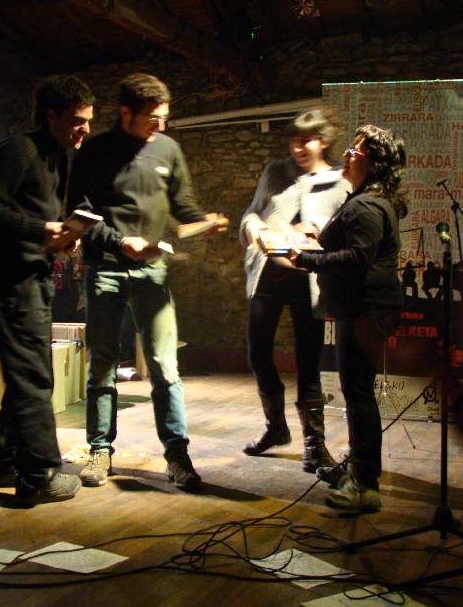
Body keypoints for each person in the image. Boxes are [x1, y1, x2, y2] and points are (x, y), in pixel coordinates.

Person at [68, 73, 228, 493]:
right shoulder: (95, 152)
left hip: (152, 270)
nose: (160, 126)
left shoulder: (167, 149)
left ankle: (177, 455)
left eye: (164, 118)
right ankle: (100, 449)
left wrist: (203, 222)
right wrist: (120, 242)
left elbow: (183, 203)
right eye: (152, 119)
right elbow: (80, 214)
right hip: (105, 268)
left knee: (164, 365)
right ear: (126, 113)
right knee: (102, 364)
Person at [0, 74, 95, 504]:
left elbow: (42, 217)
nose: (85, 129)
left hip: (33, 278)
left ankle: (10, 459)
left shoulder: (59, 157)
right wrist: (40, 230)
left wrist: (65, 237)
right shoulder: (19, 150)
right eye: (77, 120)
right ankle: (38, 476)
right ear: (51, 115)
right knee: (34, 379)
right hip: (11, 282)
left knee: (29, 374)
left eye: (88, 120)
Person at [293, 125, 407, 512]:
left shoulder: (368, 206)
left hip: (365, 310)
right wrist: (314, 240)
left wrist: (308, 260)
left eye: (356, 151)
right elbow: (348, 245)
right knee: (358, 392)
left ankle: (364, 484)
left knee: (358, 395)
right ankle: (360, 469)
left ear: (374, 163)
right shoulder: (363, 200)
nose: (347, 154)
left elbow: (358, 258)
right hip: (362, 310)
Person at [239, 109, 350, 473]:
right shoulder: (275, 172)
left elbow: (343, 232)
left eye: (306, 141)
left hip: (309, 280)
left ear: (324, 141)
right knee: (257, 353)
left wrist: (314, 230)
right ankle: (276, 427)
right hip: (268, 275)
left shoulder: (340, 181)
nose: (298, 148)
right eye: (294, 141)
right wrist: (254, 227)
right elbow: (251, 213)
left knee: (308, 362)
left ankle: (314, 445)